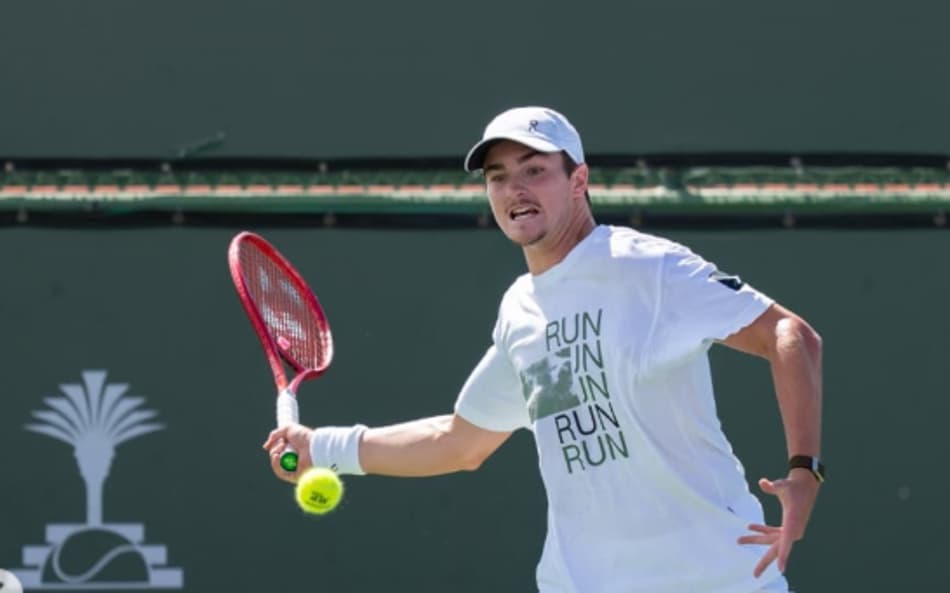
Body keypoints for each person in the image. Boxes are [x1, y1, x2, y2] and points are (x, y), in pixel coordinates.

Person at [263, 106, 824, 593]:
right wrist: (323, 448)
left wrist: (804, 471)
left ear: (579, 180)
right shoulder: (522, 312)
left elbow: (791, 336)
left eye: (535, 171)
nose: (515, 189)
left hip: (718, 579)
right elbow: (461, 442)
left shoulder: (646, 268)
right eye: (499, 176)